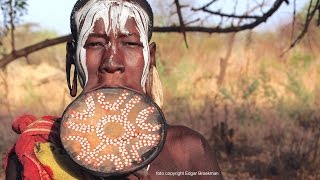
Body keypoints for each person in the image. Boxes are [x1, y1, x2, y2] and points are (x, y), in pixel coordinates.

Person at [5, 0, 223, 179]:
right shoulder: (35, 153)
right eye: (95, 44)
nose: (111, 62)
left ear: (151, 57)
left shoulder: (188, 152)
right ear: (71, 57)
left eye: (130, 44)